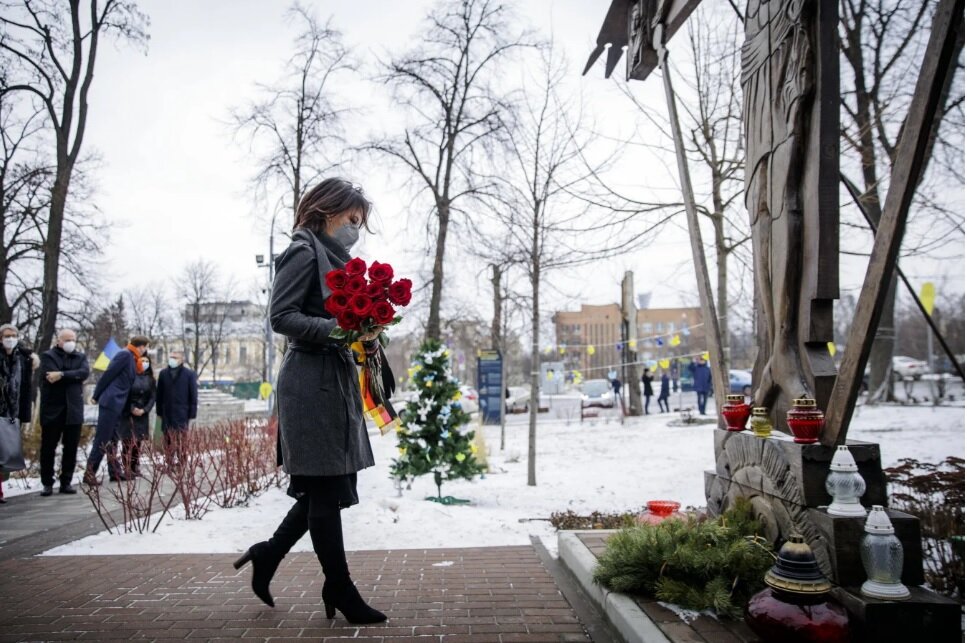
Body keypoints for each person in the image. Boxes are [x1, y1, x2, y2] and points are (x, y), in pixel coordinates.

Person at [234, 178, 389, 624]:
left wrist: (367, 337)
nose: (355, 229)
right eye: (352, 219)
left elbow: (338, 320)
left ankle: (269, 555)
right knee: (324, 486)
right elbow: (281, 316)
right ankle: (339, 587)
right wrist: (339, 331)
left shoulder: (336, 259)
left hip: (333, 380)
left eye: (360, 222)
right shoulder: (303, 251)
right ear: (326, 212)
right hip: (308, 383)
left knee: (329, 486)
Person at [87, 336, 150, 485]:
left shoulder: (132, 358)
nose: (145, 351)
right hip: (111, 402)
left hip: (118, 404)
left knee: (113, 439)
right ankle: (89, 473)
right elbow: (108, 374)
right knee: (102, 439)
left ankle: (114, 472)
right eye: (145, 347)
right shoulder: (125, 355)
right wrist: (96, 395)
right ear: (141, 347)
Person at [38, 329, 90, 495]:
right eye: (67, 339)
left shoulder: (80, 357)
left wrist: (61, 374)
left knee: (71, 448)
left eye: (73, 339)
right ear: (58, 340)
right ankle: (47, 482)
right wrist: (69, 375)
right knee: (48, 448)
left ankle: (66, 481)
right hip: (53, 410)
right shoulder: (48, 356)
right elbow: (49, 376)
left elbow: (83, 373)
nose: (70, 342)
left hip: (73, 410)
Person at [0, 324, 35, 504]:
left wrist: (24, 414)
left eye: (14, 335)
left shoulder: (22, 358)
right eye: (7, 335)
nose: (11, 338)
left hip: (12, 412)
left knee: (6, 453)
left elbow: (26, 387)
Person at [156, 350, 198, 469]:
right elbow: (159, 394)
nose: (172, 359)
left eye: (175, 357)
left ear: (181, 360)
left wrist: (192, 412)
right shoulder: (163, 373)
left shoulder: (189, 374)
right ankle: (169, 462)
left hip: (182, 412)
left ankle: (181, 463)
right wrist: (159, 411)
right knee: (168, 439)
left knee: (181, 440)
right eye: (171, 357)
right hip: (167, 412)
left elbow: (193, 394)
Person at [120, 352, 155, 477]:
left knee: (138, 442)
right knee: (127, 441)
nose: (144, 363)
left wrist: (144, 410)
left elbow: (152, 397)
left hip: (142, 414)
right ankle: (127, 468)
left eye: (147, 361)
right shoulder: (130, 376)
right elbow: (125, 394)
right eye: (142, 361)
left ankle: (135, 467)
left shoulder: (150, 379)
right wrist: (131, 408)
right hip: (128, 413)